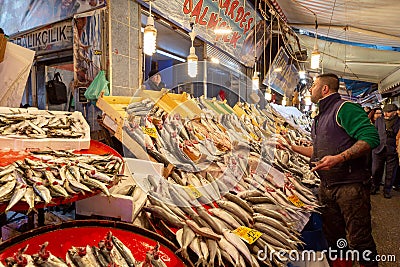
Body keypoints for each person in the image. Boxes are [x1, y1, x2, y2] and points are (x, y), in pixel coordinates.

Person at [279, 73, 379, 267]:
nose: (310, 89)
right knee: (334, 238)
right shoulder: (320, 116)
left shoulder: (345, 108)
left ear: (325, 89)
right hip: (327, 186)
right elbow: (317, 152)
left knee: (360, 240)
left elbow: (371, 138)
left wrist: (340, 158)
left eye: (314, 85)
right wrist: (290, 147)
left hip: (350, 187)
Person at [371, 103, 400, 198]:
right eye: (385, 112)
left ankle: (387, 190)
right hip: (378, 149)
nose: (386, 114)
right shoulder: (379, 120)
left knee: (390, 172)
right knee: (375, 170)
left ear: (395, 113)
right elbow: (374, 133)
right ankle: (375, 186)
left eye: (389, 112)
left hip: (392, 150)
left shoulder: (399, 121)